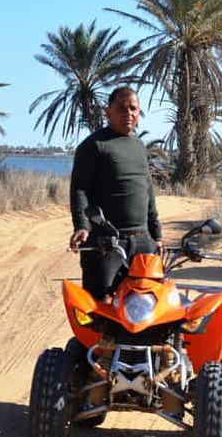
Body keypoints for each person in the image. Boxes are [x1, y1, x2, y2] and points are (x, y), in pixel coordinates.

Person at [69, 86, 163, 301]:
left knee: (146, 304)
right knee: (99, 308)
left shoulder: (139, 146)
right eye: (121, 108)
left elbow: (147, 190)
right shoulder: (94, 145)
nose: (128, 113)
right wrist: (82, 226)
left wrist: (156, 234)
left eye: (133, 109)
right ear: (108, 111)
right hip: (106, 244)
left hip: (143, 242)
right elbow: (80, 189)